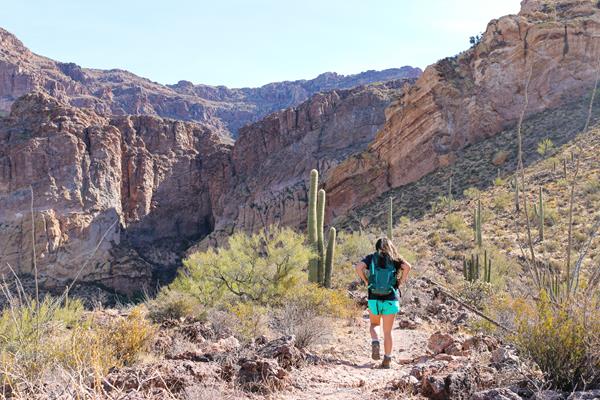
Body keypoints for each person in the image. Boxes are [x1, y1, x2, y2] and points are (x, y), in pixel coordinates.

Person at [354, 237, 411, 369]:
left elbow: (358, 267)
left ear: (377, 246)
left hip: (374, 297)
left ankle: (375, 341)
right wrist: (401, 280)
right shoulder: (395, 259)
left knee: (374, 324)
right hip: (391, 298)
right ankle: (387, 359)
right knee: (388, 331)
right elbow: (408, 267)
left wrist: (366, 280)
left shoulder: (371, 257)